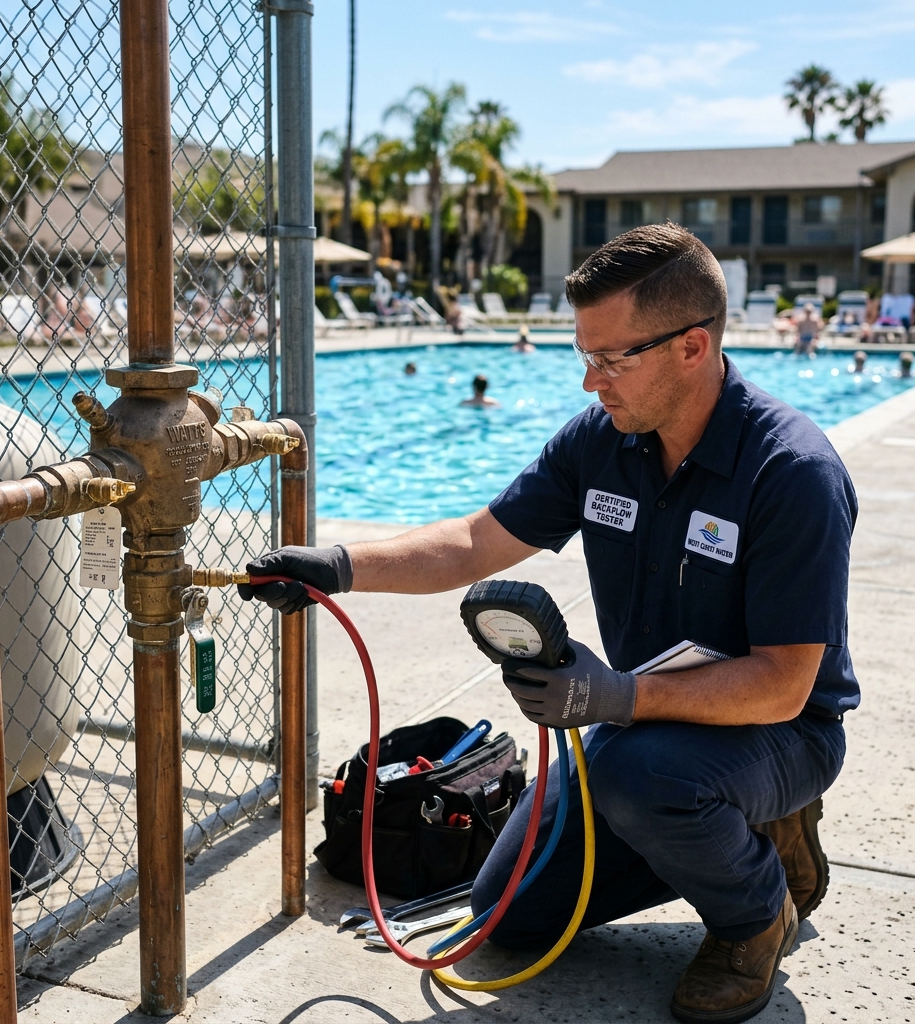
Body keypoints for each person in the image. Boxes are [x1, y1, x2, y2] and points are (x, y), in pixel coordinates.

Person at [238, 223, 857, 1024]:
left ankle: (755, 914)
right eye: (583, 356)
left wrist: (615, 700)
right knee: (510, 912)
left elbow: (782, 684)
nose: (590, 381)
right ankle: (743, 831)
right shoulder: (603, 442)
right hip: (641, 721)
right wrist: (340, 565)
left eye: (611, 358)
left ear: (692, 348)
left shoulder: (791, 472)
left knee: (644, 782)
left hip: (781, 732)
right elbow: (474, 542)